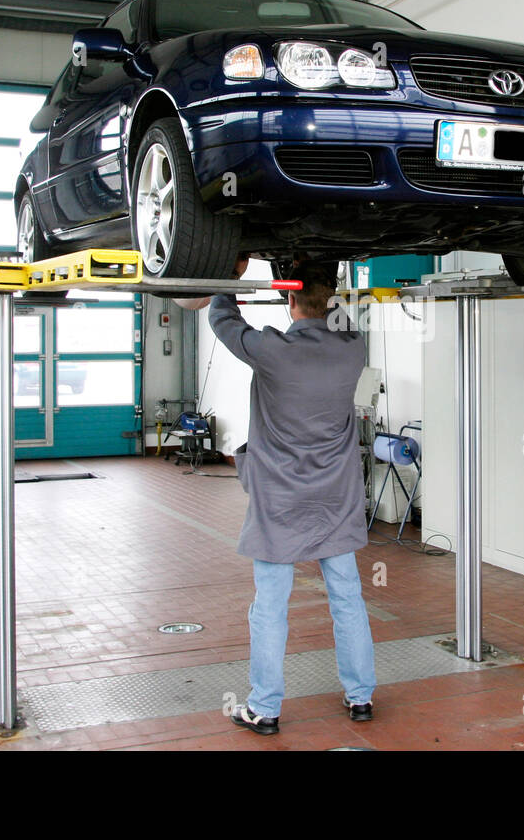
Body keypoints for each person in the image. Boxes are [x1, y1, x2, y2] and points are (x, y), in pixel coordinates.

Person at [189, 257, 377, 736]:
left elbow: (222, 319)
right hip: (335, 499)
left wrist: (227, 277)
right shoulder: (353, 350)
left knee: (270, 605)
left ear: (290, 299)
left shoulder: (271, 350)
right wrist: (321, 292)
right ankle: (361, 698)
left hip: (280, 502)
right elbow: (339, 320)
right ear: (330, 301)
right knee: (349, 600)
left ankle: (265, 709)